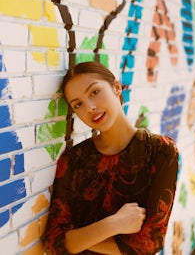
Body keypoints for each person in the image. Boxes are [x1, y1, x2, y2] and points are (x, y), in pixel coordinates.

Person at [42, 61, 179, 255]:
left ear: (116, 87)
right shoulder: (74, 159)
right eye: (78, 104)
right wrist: (114, 224)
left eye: (94, 92)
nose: (89, 107)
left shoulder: (160, 152)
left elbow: (149, 244)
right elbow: (53, 241)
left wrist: (78, 239)